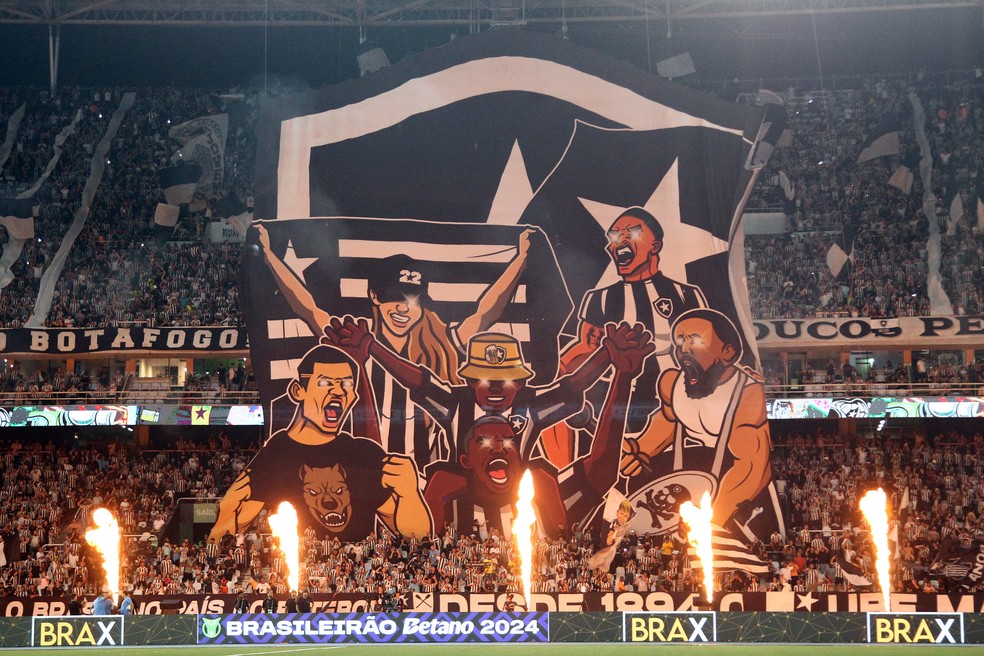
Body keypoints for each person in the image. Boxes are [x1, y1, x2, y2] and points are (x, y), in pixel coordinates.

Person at [257, 224, 534, 470]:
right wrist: (268, 256)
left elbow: (486, 313)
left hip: (424, 473)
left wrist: (521, 259)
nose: (403, 308)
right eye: (394, 298)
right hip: (363, 469)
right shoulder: (353, 338)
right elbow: (307, 308)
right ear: (375, 296)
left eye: (413, 301)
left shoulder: (439, 343)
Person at [421, 323, 654, 537]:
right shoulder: (442, 497)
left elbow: (601, 470)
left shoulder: (544, 490)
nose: (499, 447)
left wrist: (621, 376)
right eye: (485, 441)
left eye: (510, 441)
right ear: (465, 460)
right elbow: (419, 383)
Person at [210, 344, 431, 541]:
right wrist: (227, 514)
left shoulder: (364, 452)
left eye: (346, 384)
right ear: (299, 391)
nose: (338, 391)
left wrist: (410, 495)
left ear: (353, 396)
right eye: (326, 382)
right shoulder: (276, 456)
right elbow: (221, 539)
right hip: (300, 565)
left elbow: (416, 538)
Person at [541, 207, 709, 463]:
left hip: (677, 413)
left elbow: (707, 355)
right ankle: (563, 469)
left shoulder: (687, 296)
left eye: (631, 233)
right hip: (616, 413)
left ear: (655, 246)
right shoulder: (600, 299)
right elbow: (579, 356)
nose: (619, 241)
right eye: (614, 237)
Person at [619, 309, 784, 571]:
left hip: (735, 488)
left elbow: (753, 467)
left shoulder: (748, 395)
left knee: (730, 564)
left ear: (727, 352)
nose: (684, 348)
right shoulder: (671, 382)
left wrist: (709, 522)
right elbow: (669, 420)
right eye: (680, 340)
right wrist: (641, 449)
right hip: (694, 477)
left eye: (695, 339)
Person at [588, 499, 636, 574]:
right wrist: (616, 531)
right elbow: (609, 541)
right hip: (608, 548)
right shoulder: (614, 524)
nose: (622, 517)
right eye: (621, 513)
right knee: (602, 562)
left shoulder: (623, 526)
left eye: (625, 516)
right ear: (617, 512)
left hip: (613, 549)